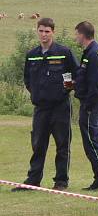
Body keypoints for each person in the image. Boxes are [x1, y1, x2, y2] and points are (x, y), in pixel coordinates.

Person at [15, 17, 78, 191]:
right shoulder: (32, 55)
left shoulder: (64, 52)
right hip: (41, 108)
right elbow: (27, 78)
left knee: (62, 145)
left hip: (60, 107)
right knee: (38, 145)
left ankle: (61, 182)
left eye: (47, 31)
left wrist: (66, 88)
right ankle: (33, 180)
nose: (44, 34)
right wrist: (35, 92)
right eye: (41, 31)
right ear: (37, 31)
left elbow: (75, 74)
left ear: (53, 32)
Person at [74, 21, 98, 190]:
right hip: (93, 103)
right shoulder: (91, 52)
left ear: (82, 34)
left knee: (92, 141)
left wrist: (88, 105)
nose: (75, 37)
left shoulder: (93, 54)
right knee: (96, 139)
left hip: (93, 105)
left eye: (76, 34)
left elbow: (96, 84)